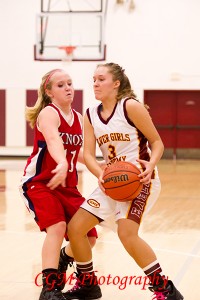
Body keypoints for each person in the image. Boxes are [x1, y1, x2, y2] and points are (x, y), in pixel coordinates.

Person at [63, 63, 184, 300]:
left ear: (116, 83)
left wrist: (151, 165)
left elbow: (157, 142)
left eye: (101, 79)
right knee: (76, 228)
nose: (95, 84)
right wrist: (99, 173)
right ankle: (88, 284)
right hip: (111, 181)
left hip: (139, 179)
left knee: (126, 233)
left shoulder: (130, 107)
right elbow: (87, 153)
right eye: (94, 80)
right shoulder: (90, 114)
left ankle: (165, 290)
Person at [19, 69, 102, 300]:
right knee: (56, 227)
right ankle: (50, 288)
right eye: (60, 85)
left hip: (67, 187)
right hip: (41, 183)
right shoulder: (48, 113)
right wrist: (63, 161)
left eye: (70, 83)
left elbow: (82, 154)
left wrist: (103, 168)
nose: (68, 88)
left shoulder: (78, 117)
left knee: (89, 237)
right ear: (49, 92)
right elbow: (54, 141)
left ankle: (64, 257)